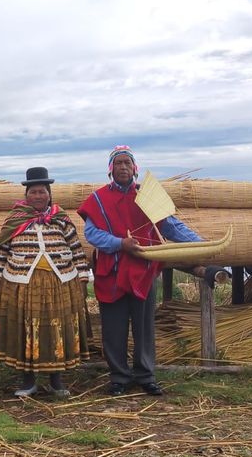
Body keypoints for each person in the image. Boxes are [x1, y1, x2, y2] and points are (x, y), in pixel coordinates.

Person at [78, 145, 203, 397]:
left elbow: (170, 226)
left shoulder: (146, 197)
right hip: (111, 272)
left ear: (135, 168)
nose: (123, 167)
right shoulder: (99, 199)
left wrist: (200, 245)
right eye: (118, 163)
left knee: (144, 326)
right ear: (110, 169)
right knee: (114, 327)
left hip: (143, 271)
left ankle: (146, 375)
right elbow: (92, 234)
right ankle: (119, 377)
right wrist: (120, 244)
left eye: (127, 163)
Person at [0, 167, 92, 398]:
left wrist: (83, 278)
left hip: (60, 282)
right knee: (26, 329)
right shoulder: (15, 220)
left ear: (49, 194)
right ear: (26, 195)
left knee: (56, 329)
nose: (38, 196)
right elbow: (1, 252)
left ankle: (56, 381)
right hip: (22, 282)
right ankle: (28, 381)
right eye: (34, 192)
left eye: (42, 191)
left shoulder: (61, 219)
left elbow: (76, 249)